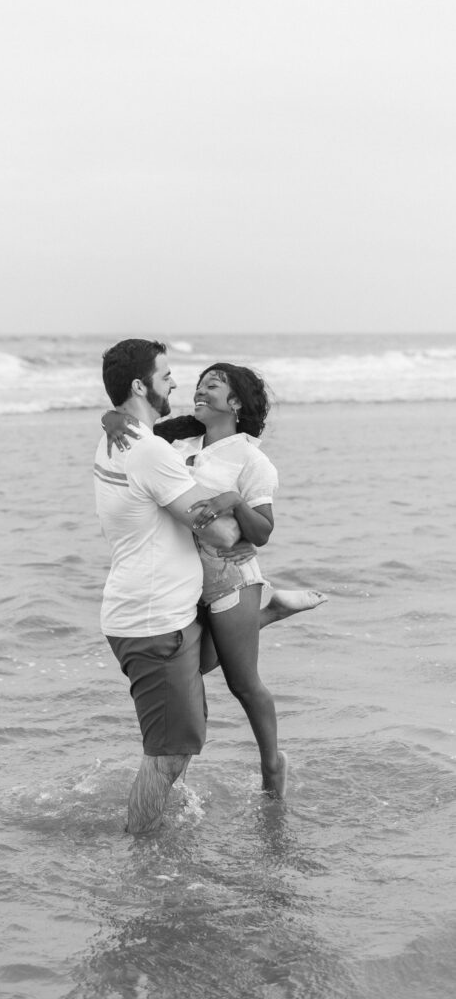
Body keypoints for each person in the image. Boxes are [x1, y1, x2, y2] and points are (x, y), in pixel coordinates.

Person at [102, 361, 315, 800]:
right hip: (189, 580)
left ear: (235, 402)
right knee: (191, 666)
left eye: (212, 387)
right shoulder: (180, 439)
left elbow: (263, 532)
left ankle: (273, 764)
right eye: (198, 386)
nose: (199, 392)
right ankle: (271, 613)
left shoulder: (251, 459)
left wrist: (234, 501)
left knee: (242, 683)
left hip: (232, 579)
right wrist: (109, 420)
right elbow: (133, 432)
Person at [94, 339, 272, 834]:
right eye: (166, 375)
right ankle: (141, 857)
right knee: (169, 753)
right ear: (139, 385)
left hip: (152, 612)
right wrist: (232, 502)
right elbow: (225, 534)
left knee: (186, 725)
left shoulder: (117, 434)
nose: (176, 383)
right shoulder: (152, 453)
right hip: (156, 622)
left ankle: (265, 614)